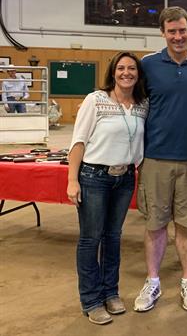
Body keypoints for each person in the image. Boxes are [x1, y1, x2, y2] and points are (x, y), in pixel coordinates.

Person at [134, 6, 187, 313]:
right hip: (155, 158)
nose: (178, 36)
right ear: (163, 33)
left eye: (182, 30)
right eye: (172, 31)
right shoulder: (148, 66)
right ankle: (153, 281)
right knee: (155, 224)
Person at [67, 52, 148, 325]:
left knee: (113, 238)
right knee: (91, 239)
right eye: (121, 68)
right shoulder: (95, 100)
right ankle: (91, 300)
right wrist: (72, 179)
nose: (127, 73)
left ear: (138, 74)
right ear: (113, 72)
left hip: (124, 178)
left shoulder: (142, 104)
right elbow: (78, 141)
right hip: (94, 176)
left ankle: (110, 292)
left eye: (132, 68)